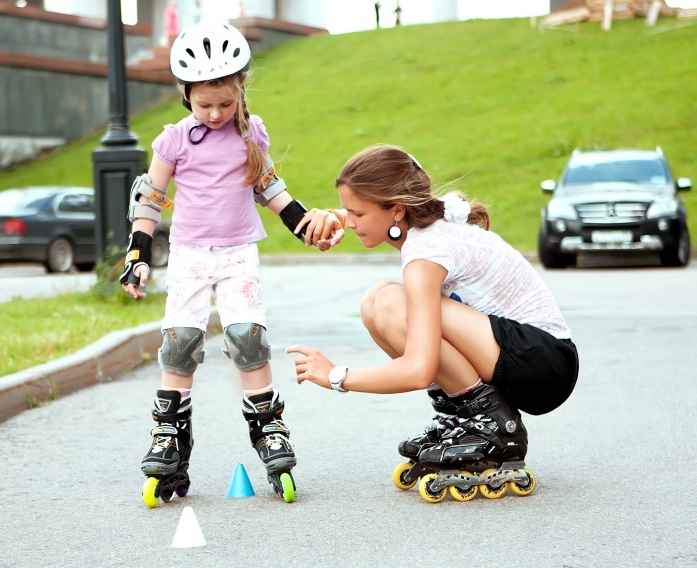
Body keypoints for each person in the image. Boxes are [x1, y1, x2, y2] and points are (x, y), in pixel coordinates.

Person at [120, 22, 342, 505]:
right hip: (190, 257)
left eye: (226, 102)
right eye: (205, 105)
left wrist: (304, 224)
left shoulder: (250, 132)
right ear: (185, 94)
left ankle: (269, 429)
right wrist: (138, 254)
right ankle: (168, 439)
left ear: (240, 88)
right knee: (180, 343)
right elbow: (151, 198)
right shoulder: (174, 140)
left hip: (238, 252)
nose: (217, 113)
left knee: (247, 337)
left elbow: (269, 188)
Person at [287, 144, 579, 498]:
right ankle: (464, 415)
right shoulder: (424, 224)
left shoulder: (426, 252)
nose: (349, 222)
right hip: (523, 355)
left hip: (544, 363)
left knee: (394, 303)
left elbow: (418, 370)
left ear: (396, 209)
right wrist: (337, 214)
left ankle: (492, 425)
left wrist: (336, 376)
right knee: (376, 302)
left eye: (356, 214)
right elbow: (383, 221)